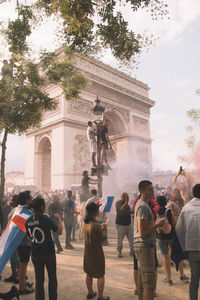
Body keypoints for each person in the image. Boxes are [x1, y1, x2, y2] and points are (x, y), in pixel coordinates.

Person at [26, 196, 62, 300]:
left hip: (35, 253)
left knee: (39, 280)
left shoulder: (28, 220)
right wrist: (59, 219)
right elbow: (59, 232)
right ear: (42, 206)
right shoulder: (46, 218)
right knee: (52, 278)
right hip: (48, 253)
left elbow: (28, 237)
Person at [134, 180, 165, 300]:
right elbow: (143, 231)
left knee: (143, 279)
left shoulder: (143, 204)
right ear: (142, 191)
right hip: (144, 246)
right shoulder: (142, 206)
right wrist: (157, 225)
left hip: (143, 246)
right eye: (150, 189)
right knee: (149, 284)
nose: (153, 191)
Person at [156, 195, 188, 285]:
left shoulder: (156, 211)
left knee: (165, 257)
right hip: (171, 236)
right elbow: (174, 223)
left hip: (161, 237)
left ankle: (169, 279)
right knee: (177, 253)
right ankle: (182, 275)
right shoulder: (169, 210)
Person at [176, 184, 200, 300]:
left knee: (194, 278)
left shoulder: (186, 207)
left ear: (193, 194)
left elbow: (179, 229)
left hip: (191, 248)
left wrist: (184, 246)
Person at [83, 202, 109, 300]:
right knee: (100, 275)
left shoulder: (86, 223)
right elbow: (103, 239)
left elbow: (92, 233)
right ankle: (101, 296)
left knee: (89, 273)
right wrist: (104, 229)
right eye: (98, 209)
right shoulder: (96, 226)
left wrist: (100, 227)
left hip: (87, 253)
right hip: (97, 254)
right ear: (95, 212)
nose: (99, 210)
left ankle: (90, 293)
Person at [17, 191, 34, 295]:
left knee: (23, 264)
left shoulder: (16, 210)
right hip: (25, 243)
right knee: (23, 265)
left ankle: (23, 282)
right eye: (30, 198)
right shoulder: (26, 213)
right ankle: (22, 288)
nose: (31, 200)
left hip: (20, 242)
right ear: (27, 200)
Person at [4, 195, 20, 284]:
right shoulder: (12, 209)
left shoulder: (17, 210)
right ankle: (14, 275)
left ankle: (21, 277)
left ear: (16, 202)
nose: (10, 201)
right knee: (12, 258)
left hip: (13, 237)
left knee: (16, 258)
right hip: (10, 236)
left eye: (12, 200)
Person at [115, 192, 133, 258]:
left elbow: (129, 212)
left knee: (131, 239)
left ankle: (132, 251)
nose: (126, 198)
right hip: (121, 225)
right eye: (125, 196)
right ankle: (119, 251)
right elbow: (121, 210)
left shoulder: (128, 205)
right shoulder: (118, 203)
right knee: (120, 239)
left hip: (129, 224)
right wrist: (127, 201)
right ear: (122, 197)